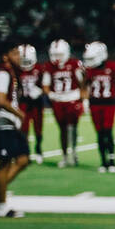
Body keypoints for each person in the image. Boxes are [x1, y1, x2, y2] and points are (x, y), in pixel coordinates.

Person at [82, 42, 115, 173]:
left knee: (108, 131)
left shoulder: (112, 67)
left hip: (109, 103)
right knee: (100, 133)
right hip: (95, 103)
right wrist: (84, 101)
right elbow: (83, 86)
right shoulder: (89, 70)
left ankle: (112, 159)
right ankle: (103, 161)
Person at [0, 45, 31, 217]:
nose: (19, 56)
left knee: (23, 160)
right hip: (1, 121)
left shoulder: (13, 74)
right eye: (14, 53)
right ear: (5, 56)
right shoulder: (2, 74)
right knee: (4, 162)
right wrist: (19, 113)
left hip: (11, 122)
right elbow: (0, 100)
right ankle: (2, 205)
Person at [45, 39, 88, 167]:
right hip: (58, 101)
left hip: (72, 98)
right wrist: (50, 94)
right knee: (62, 130)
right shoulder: (49, 66)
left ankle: (74, 153)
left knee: (72, 127)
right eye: (55, 55)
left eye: (60, 55)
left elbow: (83, 83)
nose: (57, 58)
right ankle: (64, 156)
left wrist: (84, 100)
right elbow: (45, 85)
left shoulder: (74, 64)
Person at [16, 45, 46, 163]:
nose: (25, 63)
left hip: (37, 103)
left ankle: (38, 149)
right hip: (23, 102)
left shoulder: (39, 69)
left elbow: (46, 85)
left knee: (38, 128)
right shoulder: (17, 70)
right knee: (24, 128)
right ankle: (25, 152)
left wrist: (39, 91)